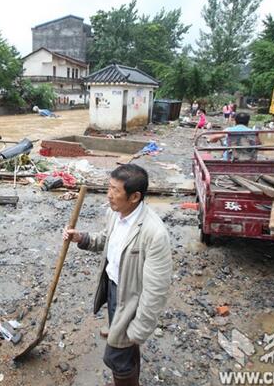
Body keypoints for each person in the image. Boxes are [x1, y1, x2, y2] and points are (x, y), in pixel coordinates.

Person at [64, 164, 172, 386]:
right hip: (115, 290)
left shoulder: (154, 233)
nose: (109, 195)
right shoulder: (115, 214)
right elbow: (106, 240)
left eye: (115, 190)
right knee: (126, 350)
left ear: (134, 197)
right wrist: (81, 238)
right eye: (109, 187)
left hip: (132, 300)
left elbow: (156, 290)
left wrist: (139, 329)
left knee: (115, 357)